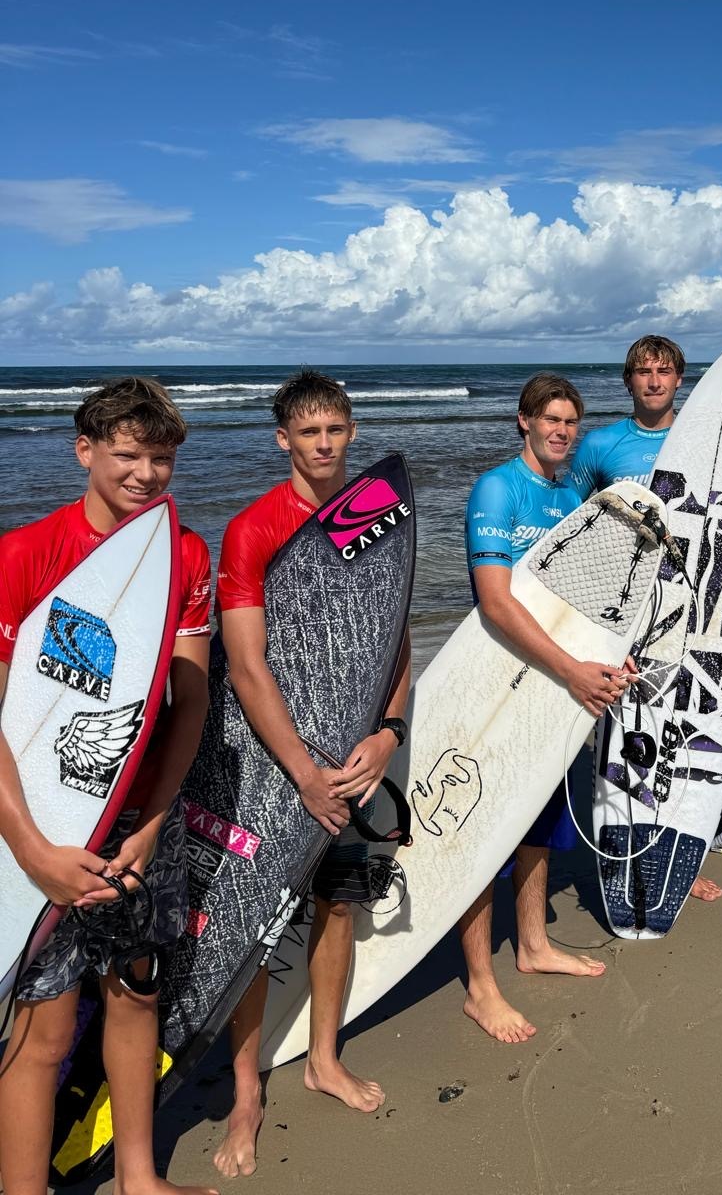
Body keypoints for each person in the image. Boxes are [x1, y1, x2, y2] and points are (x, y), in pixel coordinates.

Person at [0, 377, 215, 1195]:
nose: (146, 474)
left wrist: (154, 823)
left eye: (162, 459)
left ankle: (137, 1180)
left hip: (139, 820)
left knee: (134, 993)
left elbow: (190, 700)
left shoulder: (185, 555)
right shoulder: (24, 554)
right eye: (128, 454)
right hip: (38, 823)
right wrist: (32, 850)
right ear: (84, 450)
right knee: (44, 1032)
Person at [210, 371, 412, 1178]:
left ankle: (324, 1058)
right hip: (275, 762)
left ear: (351, 431)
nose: (324, 444)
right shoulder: (252, 529)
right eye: (308, 432)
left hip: (355, 754)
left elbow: (393, 638)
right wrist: (300, 770)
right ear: (283, 439)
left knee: (341, 905)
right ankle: (245, 1095)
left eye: (335, 429)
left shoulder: (378, 512)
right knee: (258, 922)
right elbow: (247, 666)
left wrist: (390, 733)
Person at [568, 335, 722, 902]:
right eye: (643, 371)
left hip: (696, 609)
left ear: (680, 379)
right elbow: (573, 522)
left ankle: (681, 853)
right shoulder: (601, 446)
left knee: (684, 726)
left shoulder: (711, 444)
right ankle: (624, 847)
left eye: (664, 371)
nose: (654, 381)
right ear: (628, 380)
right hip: (627, 610)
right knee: (625, 729)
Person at [460, 372, 634, 1044]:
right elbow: (495, 601)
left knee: (540, 819)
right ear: (524, 422)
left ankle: (532, 944)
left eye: (570, 421)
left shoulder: (572, 496)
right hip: (498, 681)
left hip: (556, 685)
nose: (561, 431)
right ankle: (480, 985)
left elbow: (589, 598)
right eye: (550, 419)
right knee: (483, 833)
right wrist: (571, 669)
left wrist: (609, 659)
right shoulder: (497, 489)